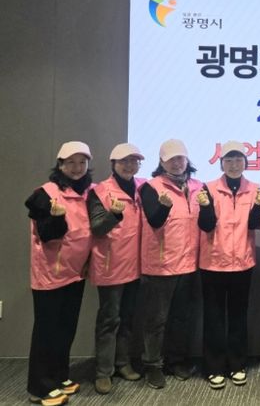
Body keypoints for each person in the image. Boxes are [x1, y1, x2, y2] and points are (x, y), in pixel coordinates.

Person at [24, 141, 94, 406]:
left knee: (66, 328)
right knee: (47, 330)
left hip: (75, 273)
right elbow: (46, 234)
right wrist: (56, 218)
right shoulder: (45, 193)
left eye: (82, 162)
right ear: (60, 165)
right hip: (50, 275)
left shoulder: (86, 193)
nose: (77, 168)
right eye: (71, 163)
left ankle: (59, 376)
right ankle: (39, 387)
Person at [198, 141, 260, 389]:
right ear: (221, 163)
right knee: (214, 317)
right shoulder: (208, 188)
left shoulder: (256, 189)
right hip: (213, 262)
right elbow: (205, 225)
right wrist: (205, 207)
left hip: (243, 263)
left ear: (245, 163)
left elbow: (254, 225)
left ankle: (237, 364)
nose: (234, 165)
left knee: (238, 316)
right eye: (228, 160)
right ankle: (214, 367)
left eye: (238, 160)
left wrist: (258, 206)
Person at [139, 139, 204, 389]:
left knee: (181, 318)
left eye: (180, 158)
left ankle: (177, 361)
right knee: (156, 320)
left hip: (188, 264)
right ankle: (153, 365)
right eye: (171, 159)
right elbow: (155, 221)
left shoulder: (198, 187)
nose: (177, 163)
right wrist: (164, 207)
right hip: (161, 265)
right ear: (161, 162)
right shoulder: (151, 187)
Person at [87, 143, 146, 394]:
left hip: (136, 265)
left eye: (134, 161)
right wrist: (113, 214)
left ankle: (123, 363)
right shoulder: (100, 191)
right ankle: (103, 371)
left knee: (128, 318)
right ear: (113, 164)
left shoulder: (142, 187)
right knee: (109, 319)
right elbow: (97, 227)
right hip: (110, 266)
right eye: (124, 161)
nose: (129, 166)